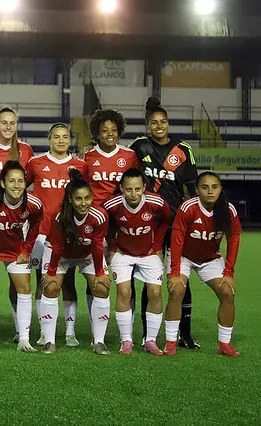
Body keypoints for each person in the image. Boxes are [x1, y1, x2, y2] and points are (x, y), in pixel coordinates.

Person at [131, 97, 199, 349]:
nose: (159, 126)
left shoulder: (183, 150)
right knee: (150, 280)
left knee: (180, 277)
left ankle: (184, 333)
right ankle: (147, 334)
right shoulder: (138, 146)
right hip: (147, 223)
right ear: (148, 125)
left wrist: (194, 219)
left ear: (168, 124)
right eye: (154, 123)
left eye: (163, 122)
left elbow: (192, 188)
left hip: (176, 224)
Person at [164, 172, 241, 357]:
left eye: (214, 187)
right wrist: (175, 272)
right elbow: (177, 239)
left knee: (227, 293)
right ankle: (170, 343)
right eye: (205, 187)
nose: (210, 191)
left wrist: (228, 273)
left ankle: (224, 344)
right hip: (183, 256)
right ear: (197, 190)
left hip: (210, 259)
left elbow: (234, 238)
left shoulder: (228, 210)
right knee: (177, 290)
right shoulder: (188, 207)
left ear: (220, 188)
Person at [26, 124, 86, 347]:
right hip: (42, 233)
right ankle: (44, 331)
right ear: (49, 139)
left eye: (65, 137)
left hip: (70, 233)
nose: (61, 141)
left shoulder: (80, 165)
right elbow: (22, 187)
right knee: (43, 282)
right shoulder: (35, 163)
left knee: (69, 282)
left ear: (70, 139)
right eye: (56, 137)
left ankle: (70, 332)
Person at [83, 108, 140, 344]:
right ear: (96, 133)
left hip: (122, 226)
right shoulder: (87, 157)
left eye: (114, 130)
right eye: (104, 130)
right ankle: (97, 324)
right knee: (95, 275)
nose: (110, 134)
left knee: (127, 278)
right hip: (95, 225)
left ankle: (129, 326)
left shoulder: (129, 156)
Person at [39, 170, 111, 355]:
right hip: (59, 254)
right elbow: (57, 245)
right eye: (78, 199)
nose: (84, 203)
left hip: (87, 254)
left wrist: (100, 273)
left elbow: (96, 246)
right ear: (70, 199)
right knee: (51, 287)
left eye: (87, 198)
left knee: (102, 287)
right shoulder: (60, 216)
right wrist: (52, 272)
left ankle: (99, 342)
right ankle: (49, 341)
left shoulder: (99, 216)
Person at [0, 161, 43, 352]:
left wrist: (26, 250)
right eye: (11, 181)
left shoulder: (33, 203)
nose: (16, 185)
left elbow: (36, 225)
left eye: (20, 181)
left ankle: (23, 339)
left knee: (25, 288)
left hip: (16, 251)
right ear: (3, 183)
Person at [102, 169, 171, 356]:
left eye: (138, 189)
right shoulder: (112, 204)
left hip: (148, 253)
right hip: (122, 253)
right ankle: (126, 341)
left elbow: (166, 220)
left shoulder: (155, 202)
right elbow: (102, 223)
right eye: (129, 189)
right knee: (124, 291)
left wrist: (157, 246)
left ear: (144, 188)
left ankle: (151, 341)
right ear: (121, 188)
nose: (134, 194)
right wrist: (111, 246)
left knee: (155, 293)